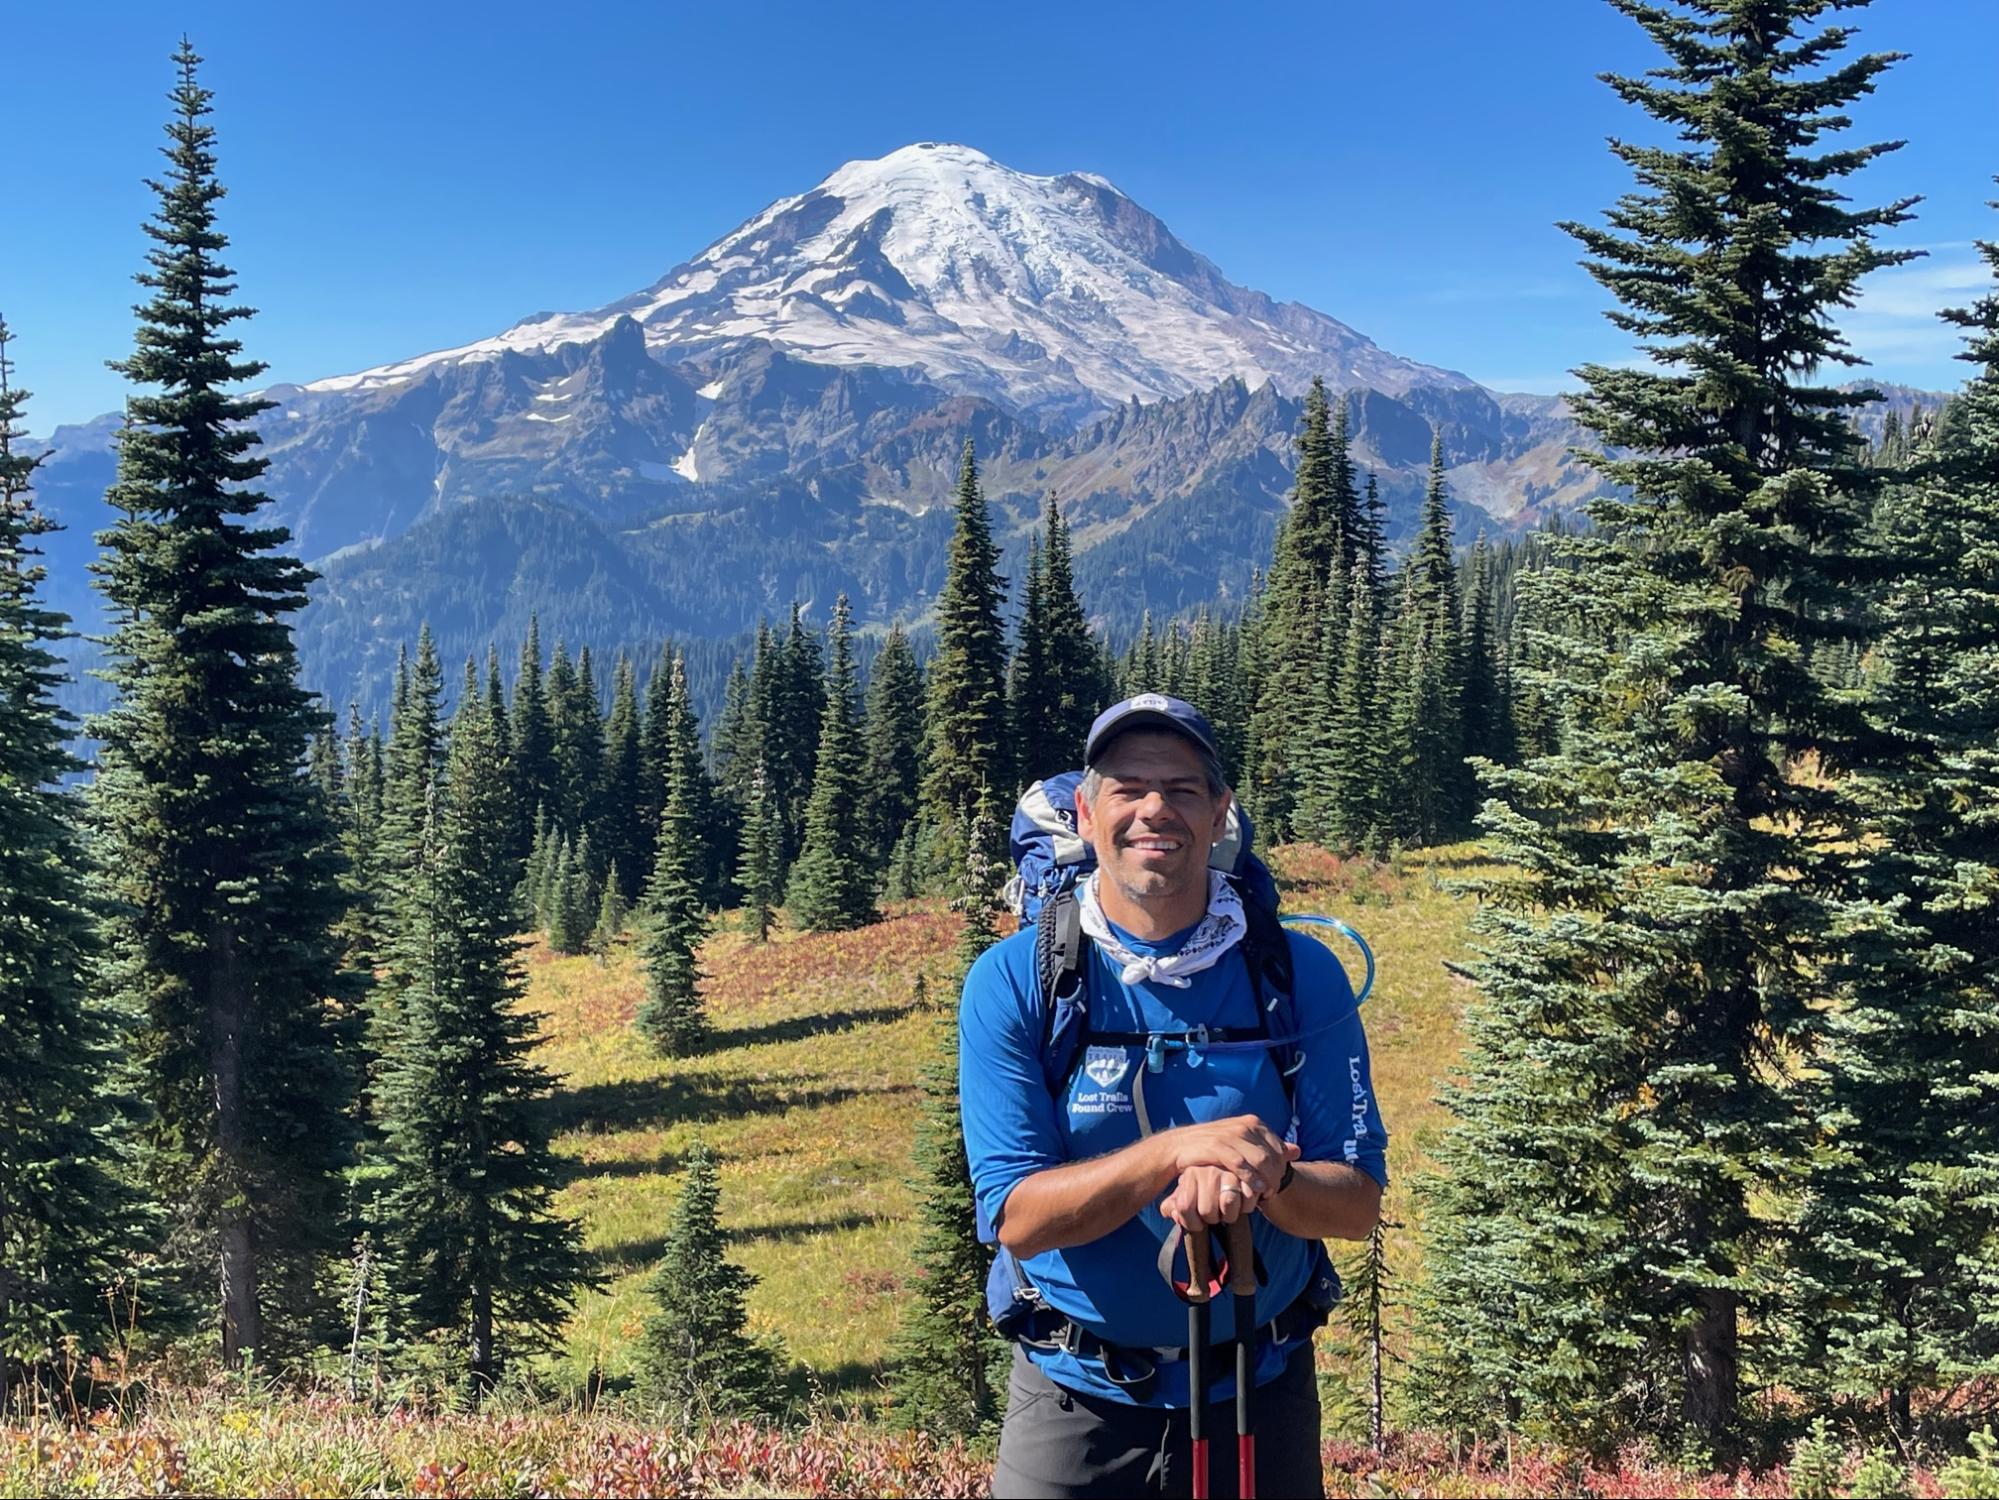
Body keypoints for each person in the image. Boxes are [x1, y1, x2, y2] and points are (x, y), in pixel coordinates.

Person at [961, 694, 1387, 1499]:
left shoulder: (1299, 975)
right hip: (1070, 1398)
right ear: (1086, 814)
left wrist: (1269, 1179)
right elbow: (1014, 1214)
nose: (1154, 809)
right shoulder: (1017, 980)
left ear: (1220, 811)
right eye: (1127, 788)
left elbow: (1356, 1203)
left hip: (1259, 1393)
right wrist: (1174, 1154)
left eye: (1183, 789)